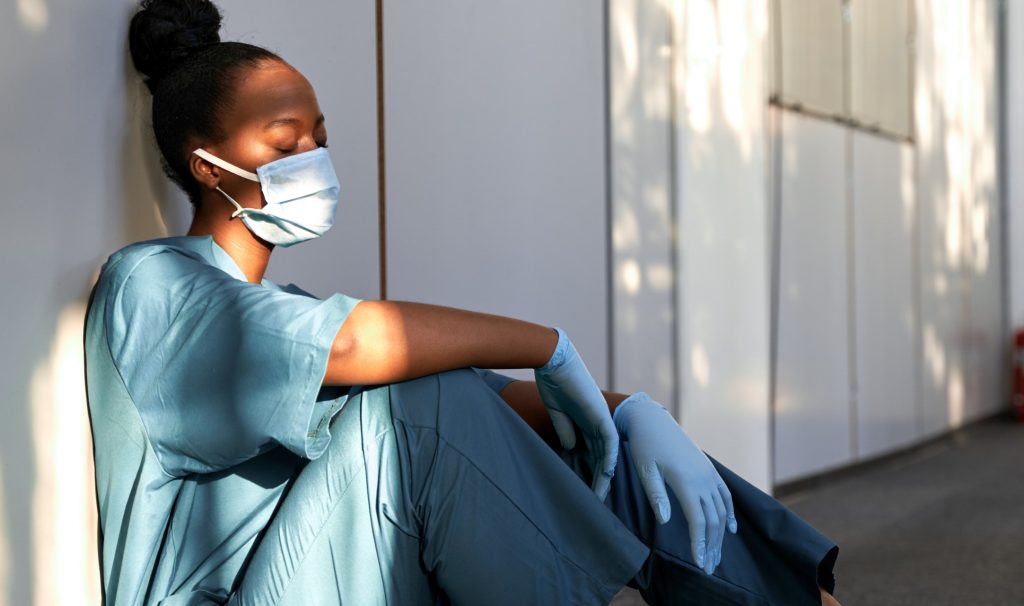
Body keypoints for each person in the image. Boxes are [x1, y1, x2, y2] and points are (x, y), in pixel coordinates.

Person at [84, 0, 841, 603]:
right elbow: (360, 349)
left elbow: (499, 405)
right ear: (209, 168)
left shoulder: (286, 306)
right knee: (419, 405)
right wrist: (550, 344)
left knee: (607, 448)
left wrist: (630, 410)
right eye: (285, 145)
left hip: (357, 571)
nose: (313, 159)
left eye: (320, 138)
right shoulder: (153, 284)